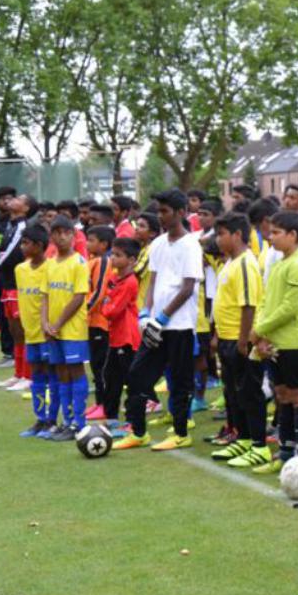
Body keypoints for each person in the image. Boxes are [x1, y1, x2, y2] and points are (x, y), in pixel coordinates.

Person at [113, 189, 204, 452]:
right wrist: (146, 312)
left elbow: (187, 288)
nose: (161, 216)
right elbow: (153, 281)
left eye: (165, 211)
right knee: (137, 374)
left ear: (181, 212)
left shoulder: (190, 246)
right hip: (155, 326)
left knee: (180, 381)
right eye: (159, 211)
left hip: (180, 325)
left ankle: (181, 433)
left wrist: (163, 316)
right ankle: (138, 432)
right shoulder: (158, 244)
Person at [251, 211, 298, 471]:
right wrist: (261, 334)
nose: (271, 237)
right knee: (282, 394)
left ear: (293, 235)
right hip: (274, 340)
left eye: (277, 233)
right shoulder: (278, 264)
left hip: (293, 342)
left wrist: (260, 330)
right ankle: (286, 453)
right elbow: (266, 301)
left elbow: (291, 307)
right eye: (270, 232)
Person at [208, 212, 269, 468]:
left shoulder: (245, 263)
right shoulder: (230, 263)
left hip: (240, 339)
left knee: (250, 392)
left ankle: (259, 445)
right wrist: (217, 336)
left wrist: (244, 340)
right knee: (234, 392)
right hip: (227, 338)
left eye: (222, 234)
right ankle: (243, 438)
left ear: (237, 235)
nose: (218, 239)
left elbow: (249, 305)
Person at [42, 216, 92, 440]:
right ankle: (67, 420)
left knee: (75, 370)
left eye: (66, 232)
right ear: (51, 236)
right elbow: (45, 296)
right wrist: (45, 323)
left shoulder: (79, 263)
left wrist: (57, 324)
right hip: (53, 330)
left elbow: (79, 297)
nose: (62, 236)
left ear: (74, 235)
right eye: (57, 232)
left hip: (72, 329)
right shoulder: (49, 263)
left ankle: (79, 424)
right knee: (61, 373)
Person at [15, 224, 54, 439]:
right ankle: (40, 419)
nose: (22, 247)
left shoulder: (51, 268)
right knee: (36, 374)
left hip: (47, 333)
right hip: (30, 333)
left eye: (26, 243)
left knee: (51, 374)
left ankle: (52, 420)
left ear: (39, 246)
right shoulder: (20, 269)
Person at [100, 237, 142, 426]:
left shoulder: (130, 282)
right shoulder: (114, 278)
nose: (113, 258)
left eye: (118, 255)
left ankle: (133, 420)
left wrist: (107, 304)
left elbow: (112, 310)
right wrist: (107, 303)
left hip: (127, 337)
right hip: (115, 336)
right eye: (113, 254)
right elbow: (106, 302)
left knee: (130, 380)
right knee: (110, 377)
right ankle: (111, 417)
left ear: (131, 260)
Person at [0, 194, 32, 391]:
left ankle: (28, 375)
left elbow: (12, 255)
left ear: (26, 208)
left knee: (22, 331)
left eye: (19, 199)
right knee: (14, 331)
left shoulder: (23, 227)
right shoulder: (10, 224)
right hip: (7, 284)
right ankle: (18, 373)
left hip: (18, 285)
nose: (13, 200)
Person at [82, 225, 115, 422]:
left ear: (104, 244)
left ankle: (105, 405)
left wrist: (83, 310)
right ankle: (99, 402)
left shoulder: (103, 261)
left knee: (101, 365)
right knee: (95, 364)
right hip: (92, 321)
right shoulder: (92, 261)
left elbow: (99, 291)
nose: (87, 244)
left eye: (91, 240)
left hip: (100, 321)